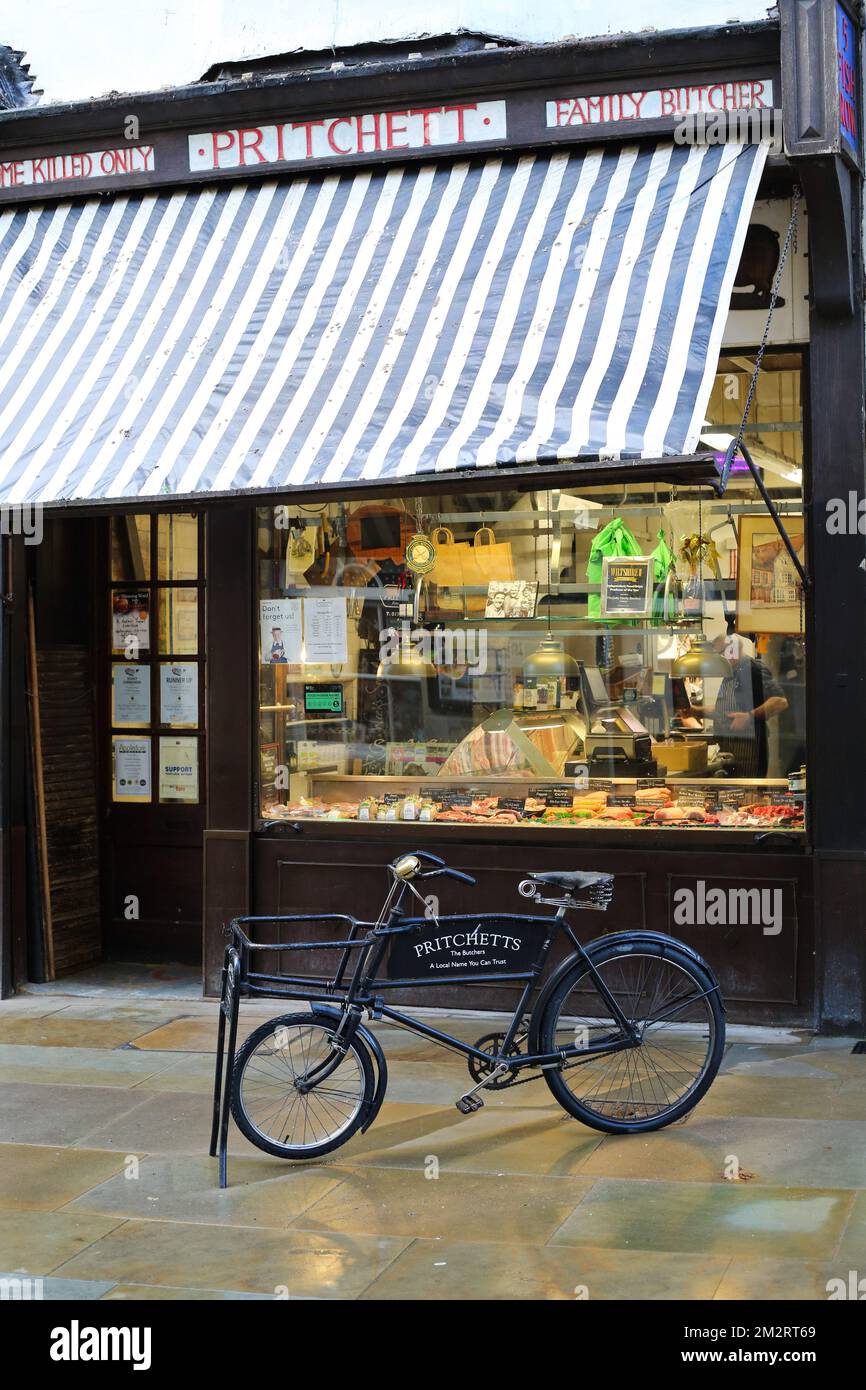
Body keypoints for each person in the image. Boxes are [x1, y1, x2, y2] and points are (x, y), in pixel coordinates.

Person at [710, 634, 788, 777]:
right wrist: (696, 711)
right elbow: (726, 708)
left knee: (749, 795)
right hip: (728, 749)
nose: (718, 659)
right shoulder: (729, 673)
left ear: (732, 649)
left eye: (720, 654)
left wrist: (748, 716)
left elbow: (780, 701)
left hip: (748, 750)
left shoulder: (753, 669)